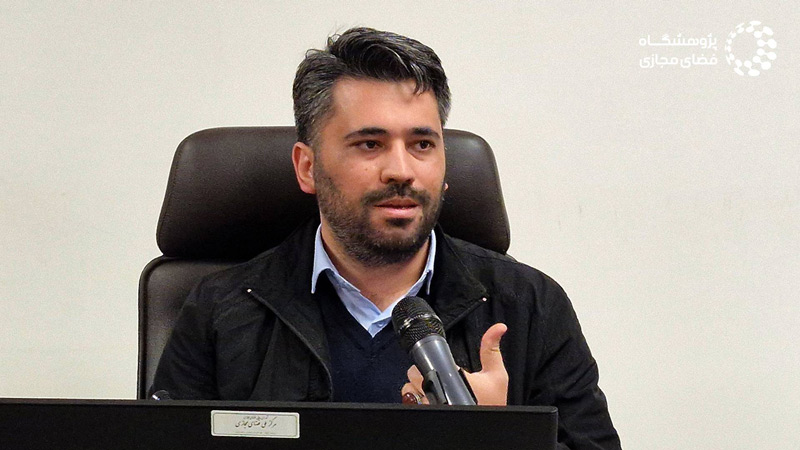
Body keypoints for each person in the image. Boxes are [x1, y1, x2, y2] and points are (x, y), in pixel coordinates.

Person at [151, 27, 621, 449]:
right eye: (370, 144)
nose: (401, 170)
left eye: (422, 145)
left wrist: (495, 439)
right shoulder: (220, 310)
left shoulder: (529, 306)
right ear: (307, 167)